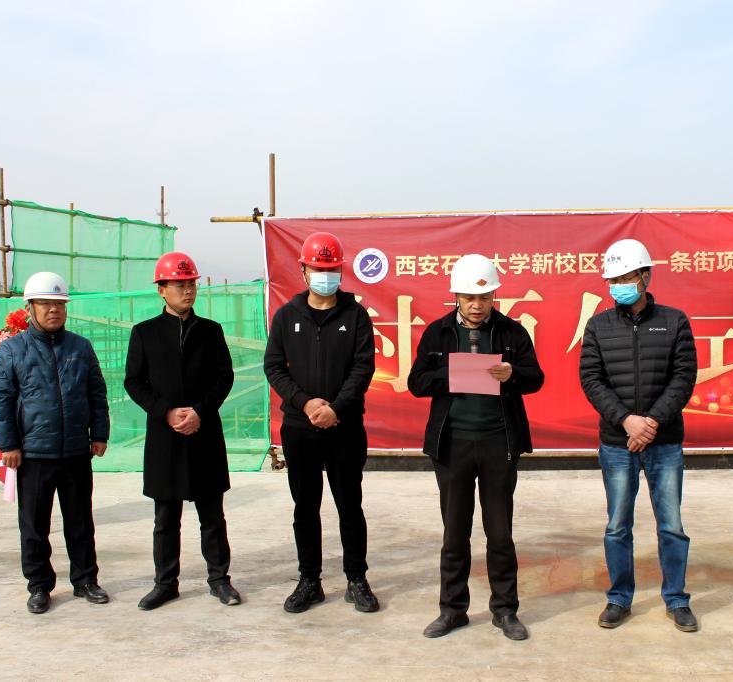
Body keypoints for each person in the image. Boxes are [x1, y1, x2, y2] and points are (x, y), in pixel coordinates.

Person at [408, 254, 545, 641]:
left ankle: (505, 610)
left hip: (499, 442)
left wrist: (512, 374)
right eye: (469, 297)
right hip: (452, 444)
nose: (476, 305)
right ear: (456, 295)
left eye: (484, 298)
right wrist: (450, 374)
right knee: (455, 532)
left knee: (499, 532)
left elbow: (536, 377)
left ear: (494, 296)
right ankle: (452, 610)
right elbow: (417, 382)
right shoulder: (438, 333)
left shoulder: (512, 332)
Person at [579, 238, 699, 632]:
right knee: (617, 526)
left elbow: (683, 377)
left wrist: (651, 423)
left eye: (626, 277)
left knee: (671, 526)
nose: (619, 285)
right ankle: (619, 598)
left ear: (646, 276)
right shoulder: (598, 326)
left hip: (664, 442)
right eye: (613, 279)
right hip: (617, 444)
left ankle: (677, 599)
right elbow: (592, 379)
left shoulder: (675, 321)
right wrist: (626, 421)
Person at [264, 232, 380, 614]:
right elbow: (274, 367)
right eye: (318, 269)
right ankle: (309, 580)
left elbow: (363, 367)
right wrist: (305, 402)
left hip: (344, 428)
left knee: (350, 505)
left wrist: (337, 408)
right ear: (303, 270)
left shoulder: (355, 316)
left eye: (331, 269)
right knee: (305, 507)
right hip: (300, 430)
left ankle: (356, 579)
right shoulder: (287, 316)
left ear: (340, 271)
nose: (325, 276)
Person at [124, 252, 241, 610]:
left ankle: (219, 580)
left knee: (212, 516)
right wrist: (166, 412)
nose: (188, 290)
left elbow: (224, 376)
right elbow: (134, 382)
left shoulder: (210, 331)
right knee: (165, 518)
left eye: (191, 284)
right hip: (165, 436)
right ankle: (165, 583)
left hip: (204, 433)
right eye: (179, 284)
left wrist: (200, 411)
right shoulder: (144, 333)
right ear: (161, 289)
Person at [0, 271, 110, 614]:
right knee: (34, 525)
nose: (53, 310)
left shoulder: (80, 348)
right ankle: (39, 586)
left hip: (75, 451)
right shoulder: (13, 350)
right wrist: (9, 445)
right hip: (33, 453)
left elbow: (96, 393)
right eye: (45, 303)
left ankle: (85, 580)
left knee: (80, 521)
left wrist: (99, 434)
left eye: (59, 304)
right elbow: (0, 400)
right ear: (29, 308)